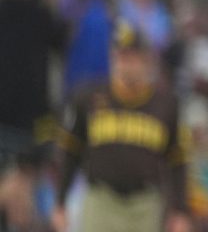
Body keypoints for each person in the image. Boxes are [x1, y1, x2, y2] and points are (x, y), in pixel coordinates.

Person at [51, 20, 191, 232]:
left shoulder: (166, 104)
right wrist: (60, 201)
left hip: (145, 204)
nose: (125, 64)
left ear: (147, 60)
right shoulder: (88, 97)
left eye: (132, 57)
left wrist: (180, 211)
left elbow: (178, 160)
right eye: (121, 56)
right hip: (101, 199)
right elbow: (70, 151)